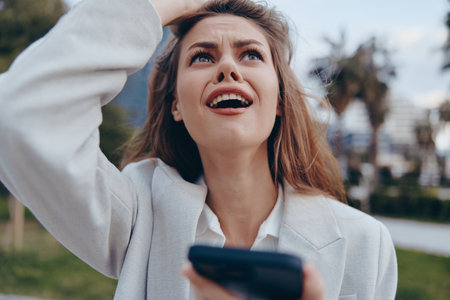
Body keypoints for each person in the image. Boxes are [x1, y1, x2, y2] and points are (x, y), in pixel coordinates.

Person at [0, 0, 397, 299]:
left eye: (251, 54)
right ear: (176, 104)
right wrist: (165, 4)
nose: (228, 68)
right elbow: (18, 115)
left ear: (279, 100)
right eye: (202, 56)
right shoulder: (138, 215)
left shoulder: (365, 247)